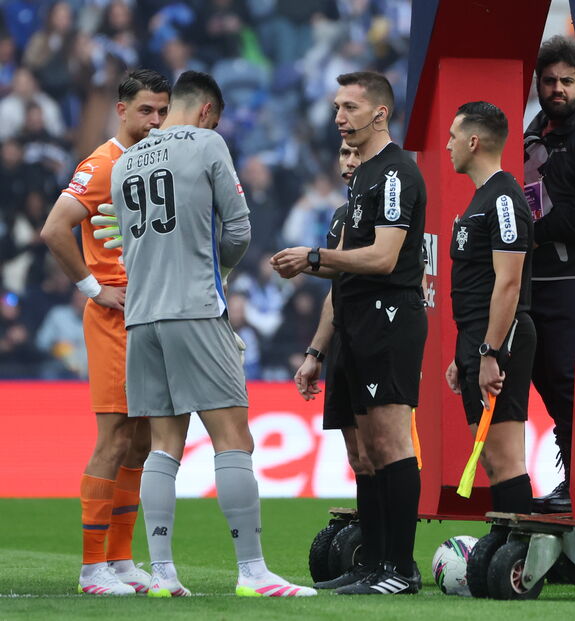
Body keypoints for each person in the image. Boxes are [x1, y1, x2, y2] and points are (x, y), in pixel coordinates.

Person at [112, 70, 315, 598]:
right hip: (196, 309)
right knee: (233, 440)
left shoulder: (124, 161)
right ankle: (252, 572)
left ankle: (161, 575)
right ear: (206, 110)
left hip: (141, 319)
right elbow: (240, 228)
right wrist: (216, 274)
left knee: (163, 447)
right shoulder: (207, 143)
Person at [271, 70, 427, 595]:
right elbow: (347, 271)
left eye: (350, 108)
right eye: (337, 107)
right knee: (367, 451)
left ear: (380, 113)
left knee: (390, 443)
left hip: (389, 318)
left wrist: (315, 255)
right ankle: (375, 565)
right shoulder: (362, 178)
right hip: (357, 323)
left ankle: (399, 571)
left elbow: (383, 257)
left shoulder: (394, 174)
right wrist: (317, 343)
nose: (338, 117)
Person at [40, 69, 170, 596]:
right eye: (146, 111)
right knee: (114, 437)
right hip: (115, 318)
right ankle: (91, 568)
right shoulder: (102, 164)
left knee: (139, 441)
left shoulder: (154, 162)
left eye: (162, 111)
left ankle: (120, 561)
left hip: (152, 316)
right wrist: (94, 288)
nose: (155, 121)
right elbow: (54, 228)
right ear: (122, 109)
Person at [443, 101, 536, 596]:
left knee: (504, 456)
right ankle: (504, 548)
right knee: (490, 458)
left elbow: (508, 284)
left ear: (474, 141)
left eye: (454, 135)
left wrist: (489, 353)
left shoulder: (503, 199)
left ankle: (519, 560)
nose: (448, 143)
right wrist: (466, 352)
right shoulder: (481, 198)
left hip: (500, 341)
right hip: (479, 341)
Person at [292, 140, 386, 590]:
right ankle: (371, 560)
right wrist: (315, 353)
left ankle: (389, 562)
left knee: (380, 452)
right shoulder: (341, 217)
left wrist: (310, 258)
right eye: (344, 155)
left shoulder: (385, 207)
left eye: (356, 154)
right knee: (357, 457)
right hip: (344, 342)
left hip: (378, 338)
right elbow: (338, 290)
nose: (349, 162)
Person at [523, 35, 575, 513]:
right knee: (544, 377)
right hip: (534, 277)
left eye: (566, 80)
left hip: (570, 279)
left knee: (566, 379)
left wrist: (532, 233)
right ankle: (573, 477)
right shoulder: (532, 129)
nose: (558, 88)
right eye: (550, 81)